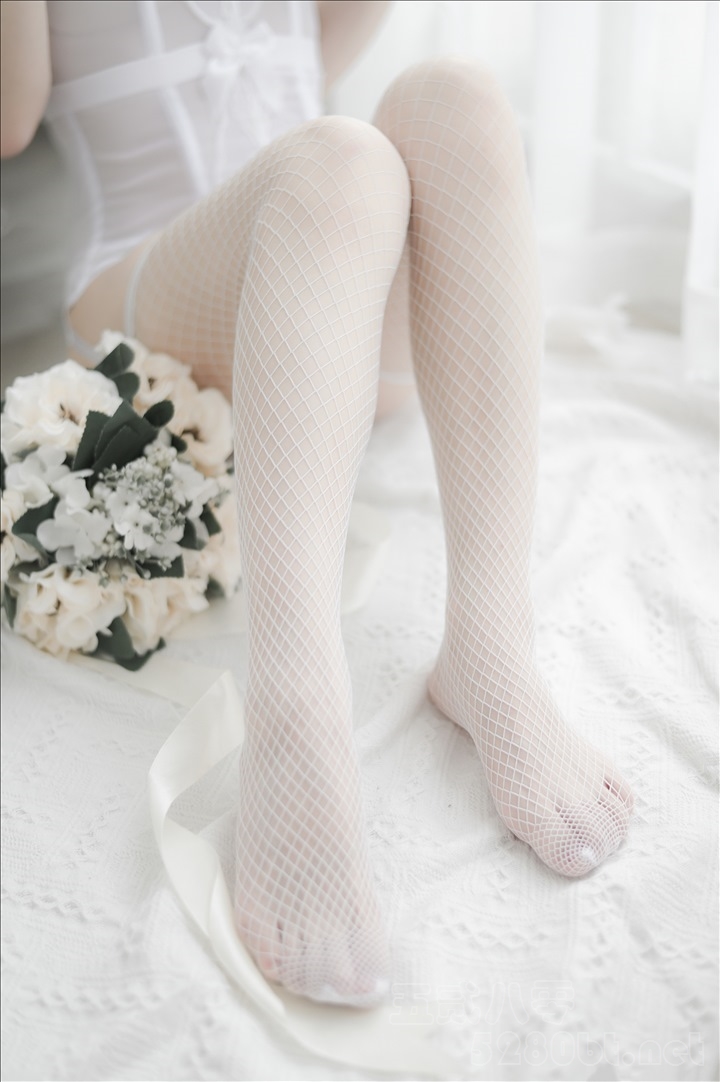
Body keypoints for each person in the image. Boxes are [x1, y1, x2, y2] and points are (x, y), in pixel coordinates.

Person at [1, 0, 634, 1007]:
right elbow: (10, 115)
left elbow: (315, 48)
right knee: (339, 156)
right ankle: (296, 712)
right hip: (157, 312)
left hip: (335, 300)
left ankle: (492, 644)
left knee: (454, 97)